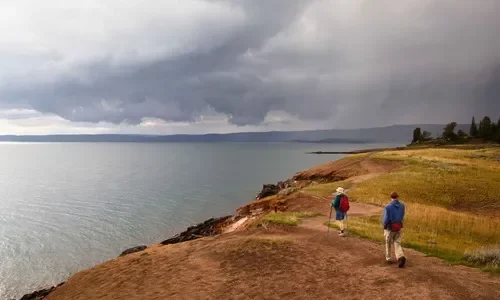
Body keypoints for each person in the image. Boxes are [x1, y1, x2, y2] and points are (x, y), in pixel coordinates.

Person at [382, 192, 407, 268]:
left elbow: (386, 219)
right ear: (397, 197)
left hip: (390, 227)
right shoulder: (402, 205)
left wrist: (384, 225)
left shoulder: (388, 207)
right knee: (397, 243)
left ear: (391, 197)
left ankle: (388, 258)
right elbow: (402, 215)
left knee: (388, 242)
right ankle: (400, 256)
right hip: (398, 226)